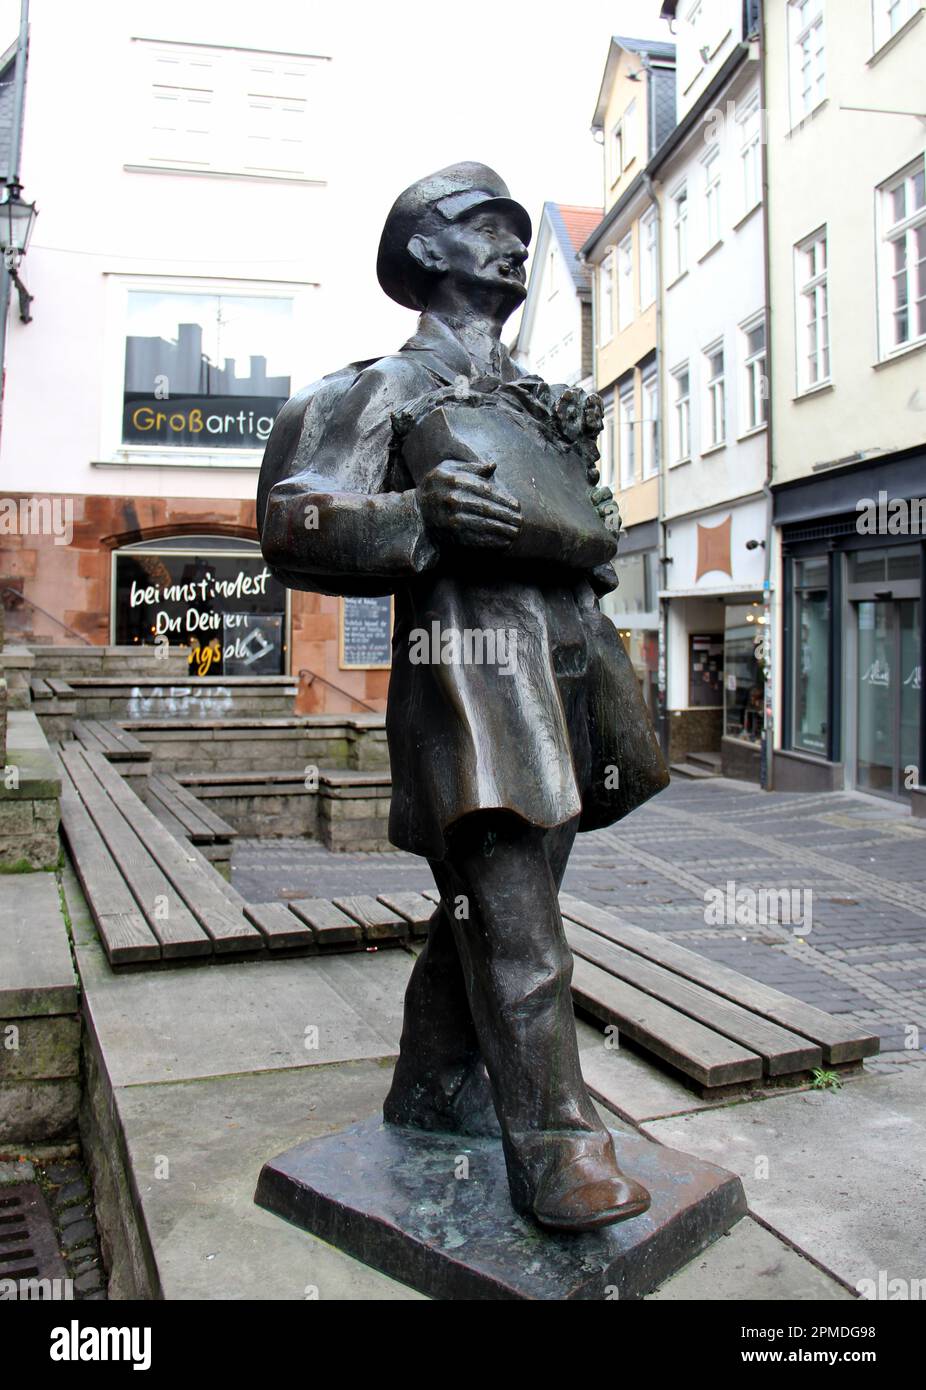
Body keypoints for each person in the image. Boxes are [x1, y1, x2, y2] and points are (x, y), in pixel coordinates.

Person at [259, 163, 654, 1231]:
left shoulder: (535, 399)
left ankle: (432, 1084)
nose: (511, 245)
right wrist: (414, 513)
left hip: (565, 671)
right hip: (471, 684)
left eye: (517, 231)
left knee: (489, 910)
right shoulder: (376, 389)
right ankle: (561, 1149)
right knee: (521, 926)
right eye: (484, 226)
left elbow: (592, 527)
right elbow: (291, 523)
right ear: (423, 249)